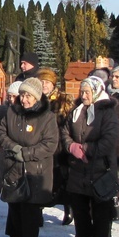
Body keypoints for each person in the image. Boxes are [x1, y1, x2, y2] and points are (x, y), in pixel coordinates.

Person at [0, 78, 58, 237]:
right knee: (14, 204)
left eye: (28, 95)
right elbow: (1, 132)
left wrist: (27, 153)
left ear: (37, 97)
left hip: (35, 169)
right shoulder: (11, 112)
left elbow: (50, 144)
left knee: (30, 209)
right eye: (22, 95)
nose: (24, 99)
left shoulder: (47, 117)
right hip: (13, 165)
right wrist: (14, 149)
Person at [61, 76, 119, 237]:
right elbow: (65, 131)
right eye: (82, 91)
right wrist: (72, 147)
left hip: (100, 168)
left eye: (87, 92)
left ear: (97, 91)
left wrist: (86, 149)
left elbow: (109, 140)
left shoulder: (108, 112)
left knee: (101, 211)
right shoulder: (76, 110)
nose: (83, 95)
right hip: (78, 168)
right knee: (79, 208)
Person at [36, 67, 74, 226]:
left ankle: (68, 209)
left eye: (47, 82)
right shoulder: (35, 99)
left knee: (62, 179)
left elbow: (70, 123)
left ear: (53, 84)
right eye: (41, 82)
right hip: (40, 146)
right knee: (40, 180)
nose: (44, 85)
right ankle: (38, 212)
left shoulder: (64, 99)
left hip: (59, 147)